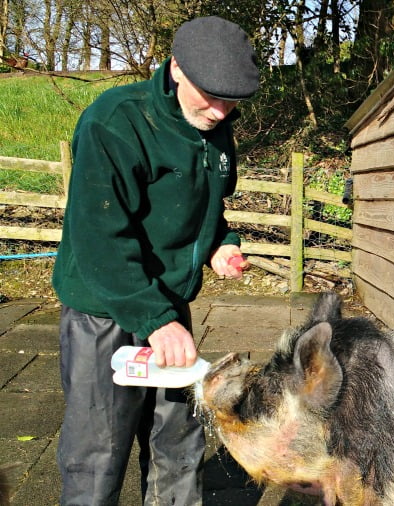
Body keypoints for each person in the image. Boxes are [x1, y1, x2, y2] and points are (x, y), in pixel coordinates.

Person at [51, 15, 259, 505]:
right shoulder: (116, 123)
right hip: (105, 305)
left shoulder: (214, 126)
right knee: (98, 448)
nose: (220, 111)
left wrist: (218, 245)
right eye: (211, 95)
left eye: (232, 101)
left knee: (179, 440)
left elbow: (207, 208)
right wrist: (155, 319)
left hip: (167, 306)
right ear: (177, 69)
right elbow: (99, 236)